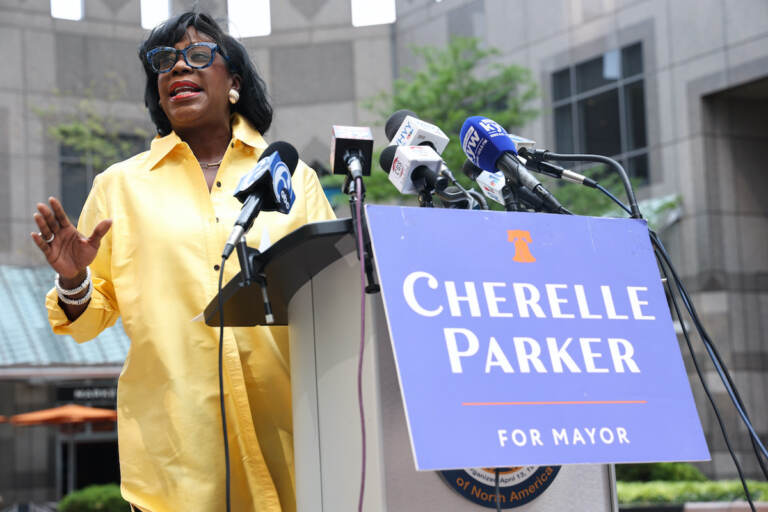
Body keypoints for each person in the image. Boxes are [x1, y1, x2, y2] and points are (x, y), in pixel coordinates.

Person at [31, 11, 335, 512]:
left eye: (197, 56)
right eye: (165, 62)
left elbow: (325, 288)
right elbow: (88, 321)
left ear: (232, 82)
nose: (177, 69)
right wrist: (74, 279)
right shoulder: (119, 187)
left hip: (293, 443)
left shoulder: (290, 176)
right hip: (176, 461)